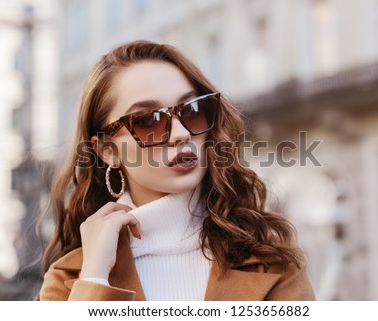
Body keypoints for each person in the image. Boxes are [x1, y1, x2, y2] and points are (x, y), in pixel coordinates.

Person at [38, 40, 315, 301]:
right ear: (107, 151)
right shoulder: (70, 279)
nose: (181, 134)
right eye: (148, 121)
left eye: (192, 110)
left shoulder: (270, 264)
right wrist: (95, 279)